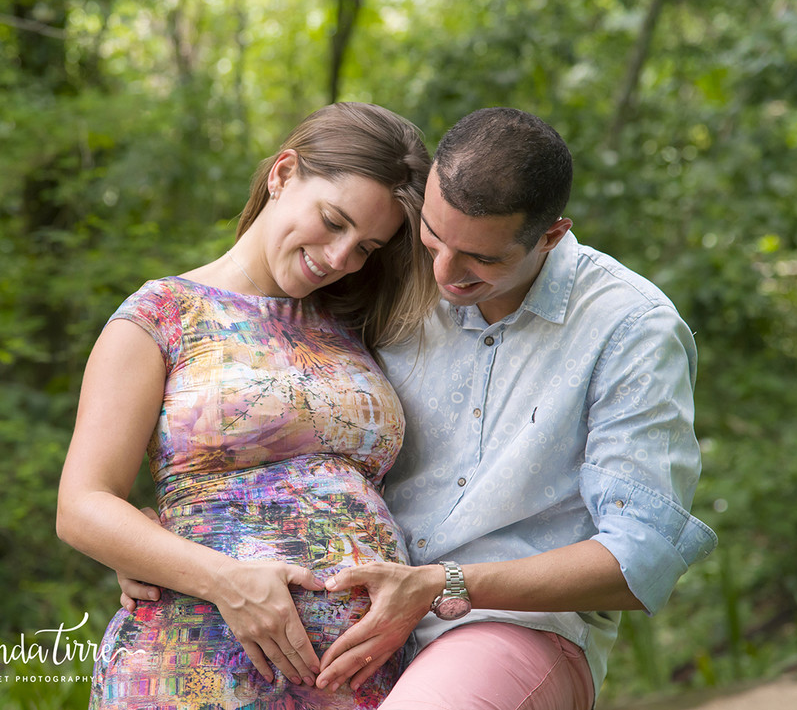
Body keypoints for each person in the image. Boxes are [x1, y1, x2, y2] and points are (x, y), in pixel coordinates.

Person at [311, 107, 719, 709]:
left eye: (483, 259)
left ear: (551, 235)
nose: (445, 273)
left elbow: (643, 552)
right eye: (434, 236)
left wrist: (438, 587)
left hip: (514, 626)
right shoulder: (388, 261)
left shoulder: (630, 329)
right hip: (348, 613)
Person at [56, 102, 437, 709]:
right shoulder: (164, 315)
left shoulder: (361, 328)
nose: (340, 259)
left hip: (359, 681)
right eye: (332, 221)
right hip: (198, 665)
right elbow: (82, 506)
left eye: (366, 246)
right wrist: (227, 581)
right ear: (282, 173)